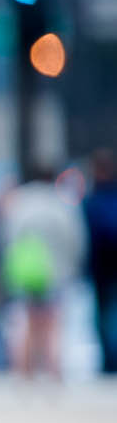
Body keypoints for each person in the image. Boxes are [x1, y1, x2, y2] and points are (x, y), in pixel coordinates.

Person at [0, 166, 86, 378]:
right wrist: (72, 268)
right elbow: (75, 240)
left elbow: (4, 240)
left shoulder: (19, 204)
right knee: (52, 325)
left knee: (25, 323)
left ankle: (23, 373)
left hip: (25, 272)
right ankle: (54, 371)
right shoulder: (62, 204)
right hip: (56, 272)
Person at [87, 151, 117, 375]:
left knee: (105, 315)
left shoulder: (92, 200)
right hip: (105, 268)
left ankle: (110, 360)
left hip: (101, 268)